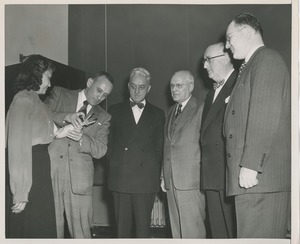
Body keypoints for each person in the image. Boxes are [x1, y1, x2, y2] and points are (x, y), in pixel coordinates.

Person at [224, 13, 291, 238]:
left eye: (229, 37)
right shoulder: (252, 65)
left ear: (247, 31)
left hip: (259, 179)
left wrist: (251, 164)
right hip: (252, 182)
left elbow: (266, 113)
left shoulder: (267, 59)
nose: (227, 45)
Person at [5, 54, 76, 238]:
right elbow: (17, 147)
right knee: (30, 226)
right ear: (37, 74)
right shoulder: (23, 100)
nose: (50, 84)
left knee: (41, 226)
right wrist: (20, 191)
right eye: (48, 78)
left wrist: (64, 130)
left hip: (40, 168)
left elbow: (47, 130)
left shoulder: (38, 102)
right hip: (30, 168)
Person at [44, 71, 114, 238]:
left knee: (82, 234)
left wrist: (83, 138)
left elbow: (101, 149)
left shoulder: (104, 117)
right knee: (51, 230)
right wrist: (66, 117)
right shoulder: (60, 93)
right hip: (51, 172)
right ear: (90, 82)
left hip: (80, 180)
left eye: (105, 95)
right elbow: (41, 115)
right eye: (99, 90)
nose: (100, 97)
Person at [107, 67, 164, 238]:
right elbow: (108, 146)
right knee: (121, 231)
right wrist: (116, 166)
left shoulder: (158, 114)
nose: (137, 91)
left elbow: (159, 149)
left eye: (142, 87)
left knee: (143, 230)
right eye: (133, 86)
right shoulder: (114, 111)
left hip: (145, 181)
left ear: (149, 88)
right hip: (121, 179)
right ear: (128, 86)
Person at [161, 70, 206, 238]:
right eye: (172, 86)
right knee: (176, 231)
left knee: (192, 231)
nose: (174, 89)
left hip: (191, 181)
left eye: (178, 85)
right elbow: (167, 146)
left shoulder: (201, 108)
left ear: (191, 86)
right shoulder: (170, 111)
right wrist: (163, 176)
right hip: (171, 181)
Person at [201, 42, 237, 238]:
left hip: (228, 173)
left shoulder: (239, 84)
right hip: (212, 174)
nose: (204, 66)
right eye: (204, 61)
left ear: (225, 58)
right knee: (218, 233)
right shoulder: (209, 95)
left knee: (232, 232)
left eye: (208, 60)